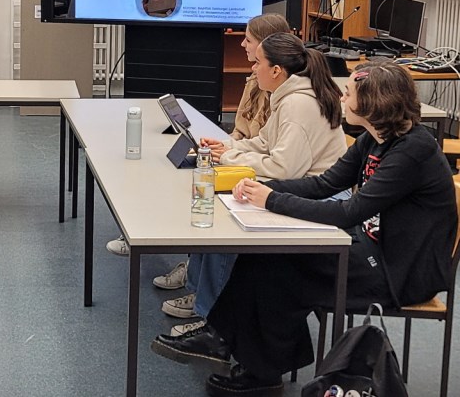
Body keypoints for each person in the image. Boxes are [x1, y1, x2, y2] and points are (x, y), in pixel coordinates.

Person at [168, 60, 456, 397]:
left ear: (373, 103)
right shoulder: (374, 139)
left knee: (279, 267)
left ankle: (251, 361)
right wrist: (262, 187)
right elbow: (324, 185)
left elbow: (351, 211)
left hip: (399, 272)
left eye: (349, 93)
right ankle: (247, 356)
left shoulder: (414, 150)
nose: (342, 98)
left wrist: (272, 200)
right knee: (265, 257)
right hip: (373, 248)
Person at [151, 32, 348, 361]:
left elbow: (284, 167)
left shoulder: (298, 104)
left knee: (229, 225)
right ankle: (208, 306)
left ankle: (213, 320)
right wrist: (229, 148)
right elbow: (264, 144)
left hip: (319, 197)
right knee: (221, 214)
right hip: (302, 187)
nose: (252, 68)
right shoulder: (287, 94)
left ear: (276, 71)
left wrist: (229, 159)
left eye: (258, 63)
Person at [107, 14, 292, 264]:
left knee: (196, 181)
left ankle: (189, 264)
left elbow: (268, 149)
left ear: (265, 46)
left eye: (247, 40)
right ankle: (144, 232)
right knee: (179, 167)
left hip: (254, 168)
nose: (242, 44)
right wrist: (222, 146)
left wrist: (226, 154)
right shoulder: (255, 80)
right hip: (242, 156)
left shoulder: (283, 96)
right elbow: (243, 133)